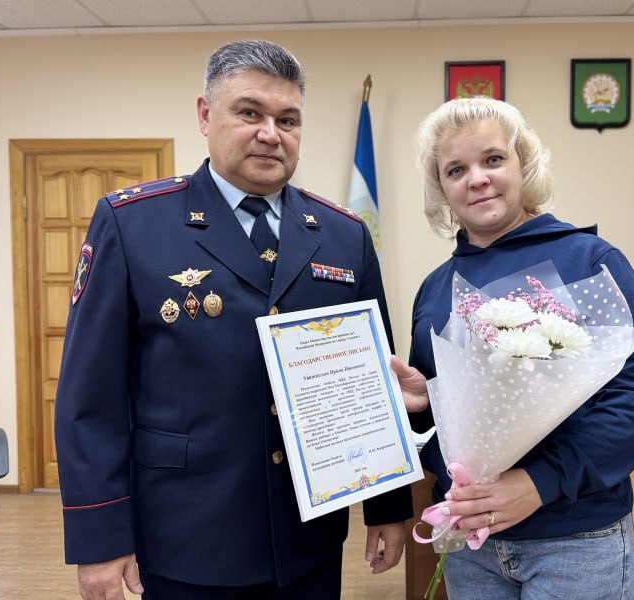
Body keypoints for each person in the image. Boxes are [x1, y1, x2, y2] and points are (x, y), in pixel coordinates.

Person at [55, 39, 412, 600]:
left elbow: (373, 382)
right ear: (205, 114)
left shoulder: (344, 235)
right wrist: (99, 537)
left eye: (288, 119)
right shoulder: (133, 224)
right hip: (186, 535)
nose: (271, 133)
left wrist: (386, 505)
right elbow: (89, 399)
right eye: (250, 112)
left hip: (307, 539)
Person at [390, 97, 634, 599]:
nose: (477, 178)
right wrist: (422, 404)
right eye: (456, 169)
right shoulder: (436, 289)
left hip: (576, 537)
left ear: (524, 163)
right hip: (472, 544)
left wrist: (541, 482)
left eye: (493, 159)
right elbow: (453, 422)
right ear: (442, 188)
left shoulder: (589, 260)